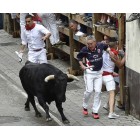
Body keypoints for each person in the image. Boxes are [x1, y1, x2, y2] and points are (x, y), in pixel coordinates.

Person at [77, 35, 110, 119]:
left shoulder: (100, 45)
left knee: (98, 92)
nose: (89, 45)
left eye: (91, 43)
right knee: (89, 91)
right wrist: (82, 65)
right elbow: (79, 57)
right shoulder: (85, 49)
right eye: (88, 44)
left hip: (99, 73)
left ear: (95, 42)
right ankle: (85, 106)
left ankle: (95, 111)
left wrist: (110, 51)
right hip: (89, 73)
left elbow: (106, 47)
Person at [102, 42, 120, 119]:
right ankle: (111, 113)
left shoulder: (104, 52)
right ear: (116, 46)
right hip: (108, 77)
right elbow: (120, 64)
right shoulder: (113, 53)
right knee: (112, 94)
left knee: (117, 88)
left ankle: (107, 105)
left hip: (103, 75)